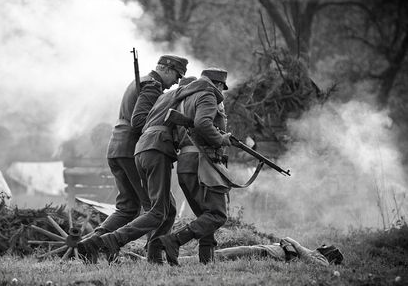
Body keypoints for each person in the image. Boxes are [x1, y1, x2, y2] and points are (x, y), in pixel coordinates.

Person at [78, 54, 189, 264]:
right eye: (177, 75)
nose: (177, 81)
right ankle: (153, 257)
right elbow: (139, 121)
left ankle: (91, 244)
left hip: (117, 147)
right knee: (160, 209)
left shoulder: (141, 82)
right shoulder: (152, 86)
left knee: (128, 208)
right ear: (166, 69)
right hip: (132, 149)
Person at [159, 68, 233, 266]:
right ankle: (174, 240)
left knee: (205, 215)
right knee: (217, 215)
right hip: (203, 162)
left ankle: (206, 262)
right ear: (218, 85)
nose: (221, 92)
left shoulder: (184, 98)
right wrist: (221, 139)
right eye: (221, 88)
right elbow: (202, 123)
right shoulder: (207, 95)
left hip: (186, 161)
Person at [206, 237, 344, 266]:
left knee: (219, 255)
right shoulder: (314, 254)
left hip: (265, 253)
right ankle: (192, 258)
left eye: (326, 248)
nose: (323, 246)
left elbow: (318, 264)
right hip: (264, 249)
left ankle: (188, 259)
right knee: (221, 254)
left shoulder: (322, 261)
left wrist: (295, 244)